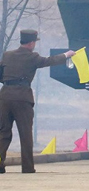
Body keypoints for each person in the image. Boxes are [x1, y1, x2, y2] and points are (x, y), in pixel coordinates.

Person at [0, 29, 75, 174]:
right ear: (31, 43)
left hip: (4, 97)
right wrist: (66, 55)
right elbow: (49, 61)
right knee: (25, 134)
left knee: (3, 133)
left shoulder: (7, 55)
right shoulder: (32, 57)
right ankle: (27, 167)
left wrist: (9, 82)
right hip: (22, 98)